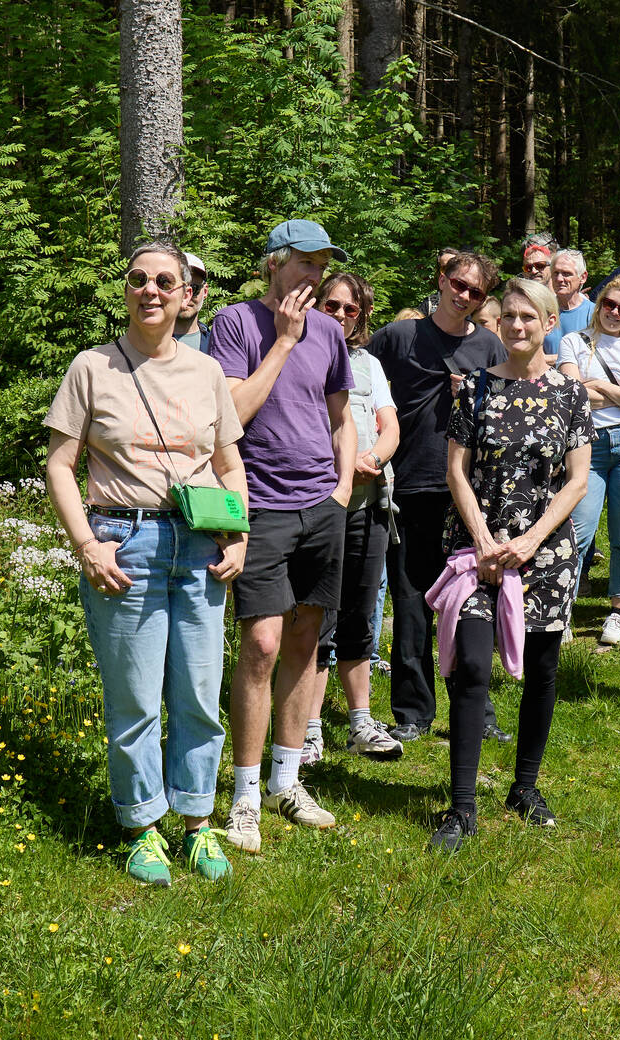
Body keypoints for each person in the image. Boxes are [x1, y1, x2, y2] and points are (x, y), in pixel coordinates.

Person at [43, 240, 249, 887]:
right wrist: (87, 545)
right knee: (134, 699)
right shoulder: (92, 368)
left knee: (198, 692)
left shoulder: (206, 372)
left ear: (188, 293)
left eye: (166, 280)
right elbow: (59, 465)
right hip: (122, 545)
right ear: (125, 290)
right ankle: (141, 828)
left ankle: (196, 821)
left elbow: (230, 464)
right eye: (139, 280)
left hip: (198, 547)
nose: (151, 290)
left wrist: (239, 536)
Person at [206, 220, 357, 853]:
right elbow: (231, 415)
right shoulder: (235, 323)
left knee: (305, 640)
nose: (314, 276)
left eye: (322, 265)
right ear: (273, 264)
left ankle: (286, 781)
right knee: (262, 645)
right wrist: (284, 343)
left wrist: (343, 489)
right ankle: (244, 795)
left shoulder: (330, 331)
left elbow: (341, 417)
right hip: (259, 507)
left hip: (321, 507)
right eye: (304, 262)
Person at [430, 277, 592, 851]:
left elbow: (577, 479)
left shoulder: (570, 395)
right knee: (471, 666)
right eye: (510, 317)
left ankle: (525, 787)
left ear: (549, 323)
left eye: (530, 317)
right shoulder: (473, 389)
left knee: (542, 673)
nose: (518, 326)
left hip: (544, 554)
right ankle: (462, 806)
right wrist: (482, 540)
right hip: (476, 553)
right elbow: (456, 470)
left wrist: (530, 541)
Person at [368, 251, 508, 743]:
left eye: (474, 291)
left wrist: (476, 394)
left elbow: (506, 417)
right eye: (457, 283)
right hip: (408, 484)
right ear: (442, 280)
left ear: (483, 300)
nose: (462, 295)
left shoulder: (490, 346)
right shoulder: (398, 336)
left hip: (466, 492)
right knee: (410, 603)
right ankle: (412, 713)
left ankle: (476, 711)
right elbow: (356, 382)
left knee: (469, 605)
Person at [297, 272, 405, 764]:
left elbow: (389, 425)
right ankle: (309, 728)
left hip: (370, 503)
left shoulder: (368, 364)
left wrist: (374, 460)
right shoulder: (295, 357)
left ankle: (361, 722)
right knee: (316, 617)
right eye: (331, 305)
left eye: (351, 309)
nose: (340, 315)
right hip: (318, 506)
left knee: (361, 612)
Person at [557, 276, 620, 645]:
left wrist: (599, 386)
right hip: (589, 446)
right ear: (599, 304)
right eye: (609, 305)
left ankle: (616, 612)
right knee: (578, 531)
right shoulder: (573, 341)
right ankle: (562, 610)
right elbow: (572, 396)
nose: (615, 312)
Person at [542, 248, 595, 354]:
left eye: (566, 273)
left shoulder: (595, 314)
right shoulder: (542, 311)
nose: (559, 279)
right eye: (556, 273)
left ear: (583, 277)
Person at [175, 251, 213, 350]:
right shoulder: (146, 342)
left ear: (205, 291)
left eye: (194, 288)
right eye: (180, 289)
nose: (186, 296)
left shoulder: (217, 345)